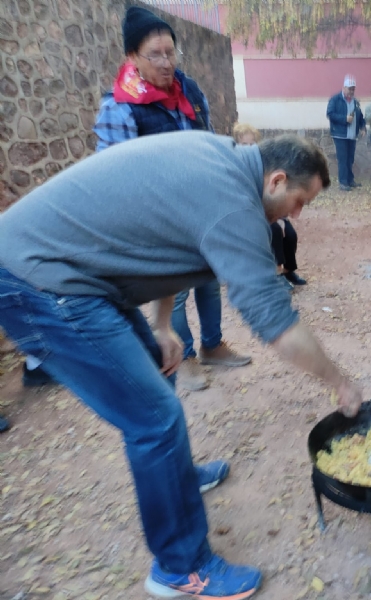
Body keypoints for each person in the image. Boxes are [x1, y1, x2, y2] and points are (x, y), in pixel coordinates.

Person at [0, 130, 363, 599]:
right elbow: (275, 321)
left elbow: (167, 240)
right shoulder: (234, 206)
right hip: (41, 280)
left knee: (157, 373)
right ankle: (180, 569)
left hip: (75, 271)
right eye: (300, 201)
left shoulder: (221, 160)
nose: (297, 215)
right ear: (276, 180)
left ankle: (177, 476)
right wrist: (340, 382)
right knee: (153, 418)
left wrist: (162, 324)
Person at [94, 6, 250, 393]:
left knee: (208, 282)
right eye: (156, 55)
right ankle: (188, 359)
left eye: (171, 52)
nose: (167, 63)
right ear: (132, 57)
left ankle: (213, 345)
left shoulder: (189, 90)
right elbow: (114, 175)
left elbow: (207, 140)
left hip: (199, 209)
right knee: (174, 292)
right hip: (160, 218)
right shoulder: (119, 106)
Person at [233, 123, 307, 290]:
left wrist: (279, 216)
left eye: (252, 144)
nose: (249, 148)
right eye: (244, 144)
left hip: (267, 212)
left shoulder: (263, 166)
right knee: (273, 231)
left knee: (289, 232)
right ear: (237, 144)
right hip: (246, 214)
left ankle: (288, 271)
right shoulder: (235, 167)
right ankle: (276, 275)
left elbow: (272, 194)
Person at [326, 74, 366, 191]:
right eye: (349, 88)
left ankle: (350, 180)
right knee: (343, 159)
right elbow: (330, 114)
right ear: (343, 88)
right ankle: (343, 183)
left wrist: (363, 127)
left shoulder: (356, 102)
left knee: (350, 159)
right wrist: (344, 118)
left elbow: (360, 117)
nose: (351, 91)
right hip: (340, 135)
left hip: (352, 135)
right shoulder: (335, 99)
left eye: (353, 88)